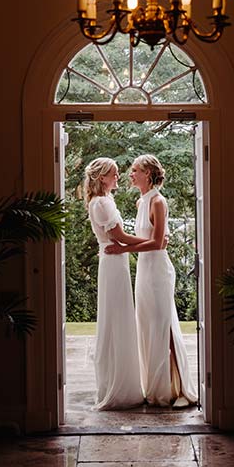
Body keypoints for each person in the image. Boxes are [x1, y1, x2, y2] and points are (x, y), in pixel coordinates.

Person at [105, 154, 198, 408]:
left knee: (163, 326)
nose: (130, 174)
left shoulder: (158, 201)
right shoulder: (140, 202)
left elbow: (158, 243)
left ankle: (176, 390)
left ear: (148, 173)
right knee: (147, 327)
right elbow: (145, 240)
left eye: (135, 170)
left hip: (158, 271)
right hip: (144, 271)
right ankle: (155, 386)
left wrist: (123, 250)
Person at [83, 157, 146, 410]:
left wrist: (132, 246)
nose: (119, 177)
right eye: (114, 173)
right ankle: (118, 386)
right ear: (102, 178)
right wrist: (148, 242)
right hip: (112, 261)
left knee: (120, 316)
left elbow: (119, 240)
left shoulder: (106, 200)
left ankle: (124, 381)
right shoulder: (101, 203)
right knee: (117, 317)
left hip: (116, 259)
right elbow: (117, 236)